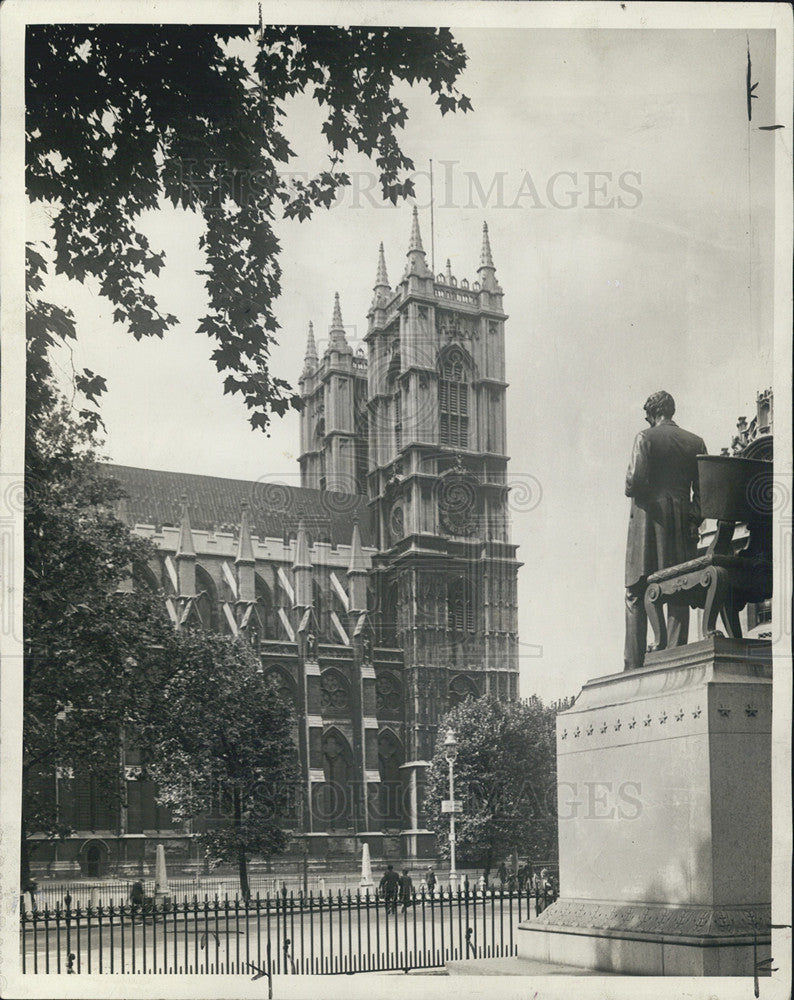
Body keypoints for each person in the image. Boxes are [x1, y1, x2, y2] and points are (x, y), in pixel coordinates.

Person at [625, 390, 707, 670]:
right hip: (683, 526)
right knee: (679, 588)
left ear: (653, 412)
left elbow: (634, 483)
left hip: (650, 525)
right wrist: (693, 518)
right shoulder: (695, 441)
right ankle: (674, 658)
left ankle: (633, 666)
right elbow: (704, 491)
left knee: (636, 592)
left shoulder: (644, 437)